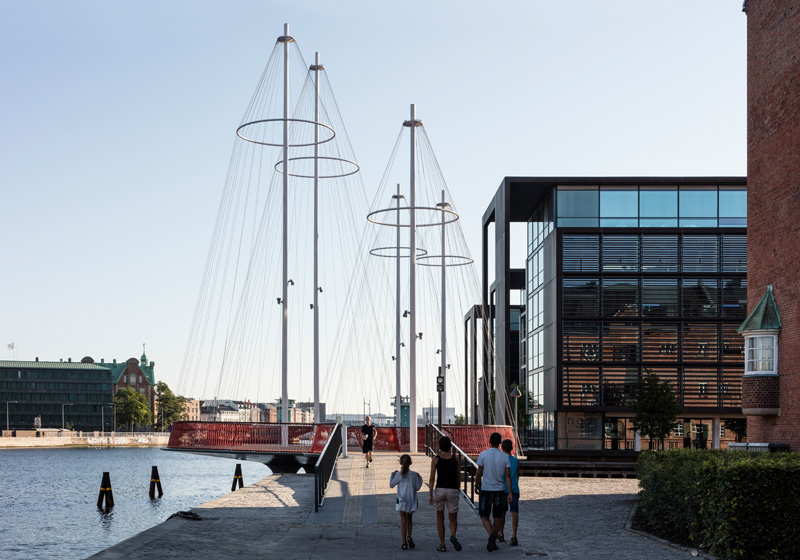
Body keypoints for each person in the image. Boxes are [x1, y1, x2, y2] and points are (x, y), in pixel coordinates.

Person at [475, 432, 512, 552]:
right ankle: (493, 539)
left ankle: (491, 535)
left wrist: (476, 484)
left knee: (484, 515)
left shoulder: (483, 455)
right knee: (497, 516)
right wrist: (510, 492)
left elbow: (479, 472)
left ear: (489, 441)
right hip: (499, 490)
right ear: (500, 443)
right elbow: (507, 476)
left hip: (486, 489)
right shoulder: (505, 457)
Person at [428, 436, 462, 552]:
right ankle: (453, 536)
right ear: (450, 446)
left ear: (439, 446)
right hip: (452, 489)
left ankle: (442, 545)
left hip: (440, 490)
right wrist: (458, 487)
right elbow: (458, 476)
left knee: (440, 518)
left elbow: (432, 478)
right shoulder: (455, 459)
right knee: (453, 517)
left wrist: (430, 494)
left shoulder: (435, 459)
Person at [390, 454, 423, 550]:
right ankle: (409, 536)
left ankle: (404, 543)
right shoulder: (413, 475)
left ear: (400, 463)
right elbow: (417, 487)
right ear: (411, 463)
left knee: (403, 521)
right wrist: (419, 478)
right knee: (410, 520)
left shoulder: (398, 474)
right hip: (412, 500)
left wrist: (392, 474)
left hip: (401, 500)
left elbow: (391, 485)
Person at [497, 438, 520, 546]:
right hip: (514, 489)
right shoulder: (515, 461)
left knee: (502, 513)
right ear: (511, 448)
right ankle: (514, 535)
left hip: (503, 489)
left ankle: (501, 533)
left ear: (501, 448)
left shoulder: (500, 460)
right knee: (514, 512)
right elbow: (517, 474)